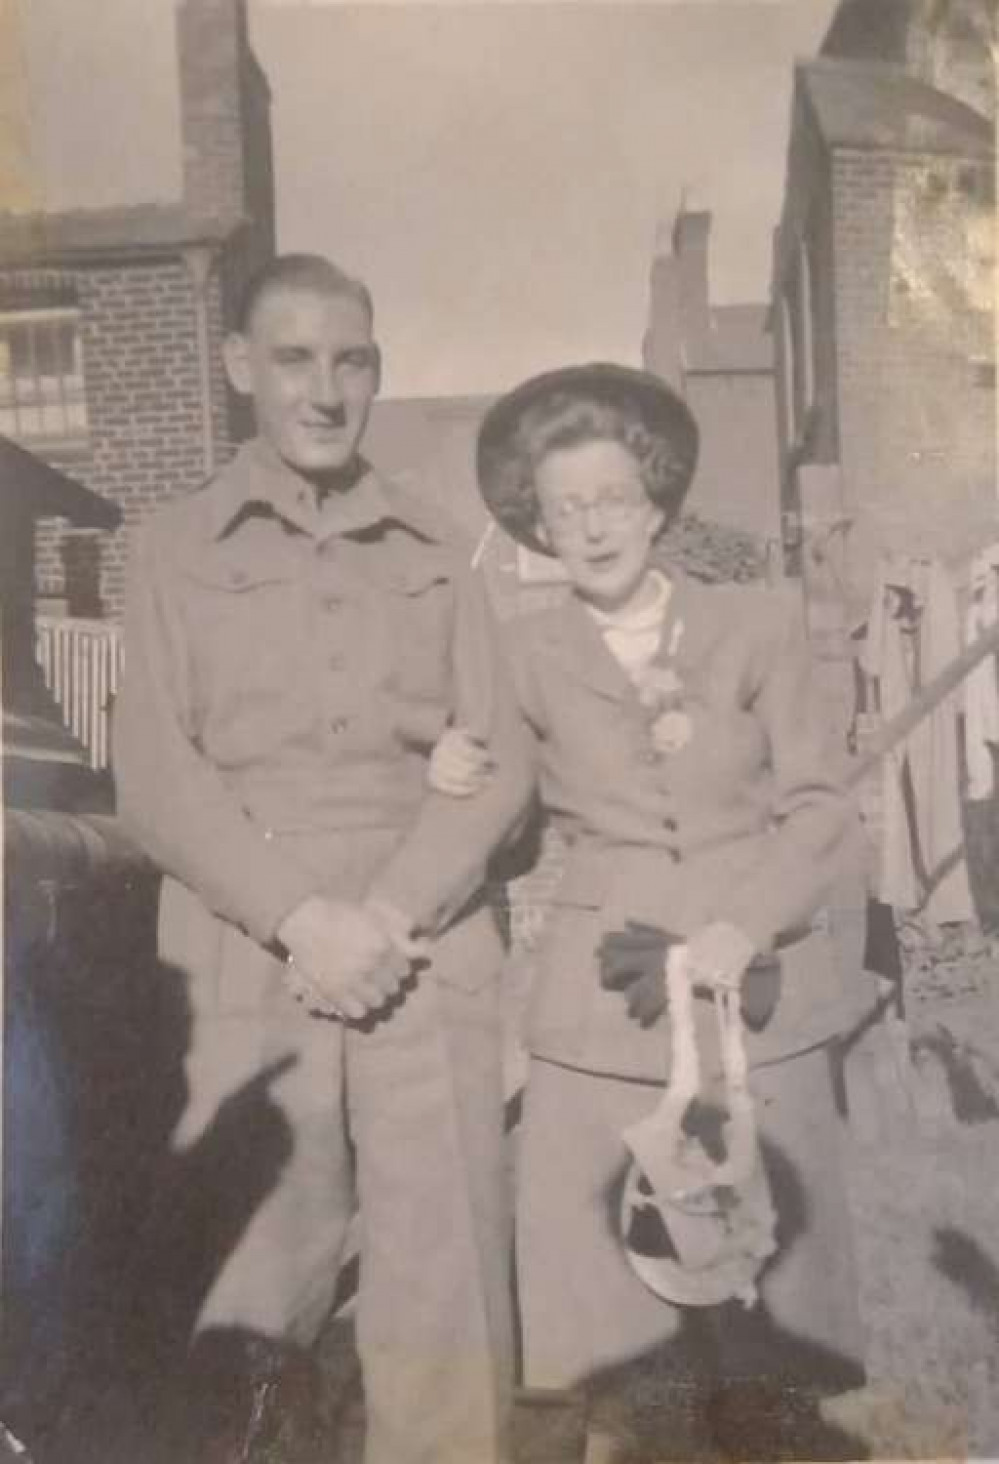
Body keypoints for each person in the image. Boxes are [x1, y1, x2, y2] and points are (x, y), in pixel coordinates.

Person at [113, 253, 533, 1464]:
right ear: (241, 367)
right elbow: (155, 772)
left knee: (443, 1289)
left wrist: (389, 914)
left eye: (351, 361)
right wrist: (304, 919)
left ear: (377, 375)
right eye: (294, 358)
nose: (324, 388)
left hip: (425, 940)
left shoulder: (437, 542)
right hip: (249, 945)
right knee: (250, 1278)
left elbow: (499, 760)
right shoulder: (172, 547)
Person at [462, 363, 868, 1452]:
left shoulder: (760, 623)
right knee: (609, 1337)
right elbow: (505, 822)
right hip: (606, 1006)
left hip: (761, 996)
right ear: (536, 524)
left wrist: (753, 921)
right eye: (564, 509)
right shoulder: (519, 650)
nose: (592, 528)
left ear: (654, 495)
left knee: (772, 1333)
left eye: (610, 498)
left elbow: (824, 809)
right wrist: (457, 762)